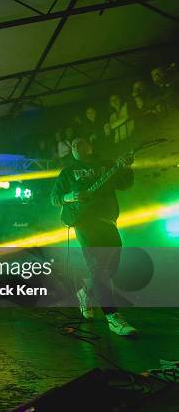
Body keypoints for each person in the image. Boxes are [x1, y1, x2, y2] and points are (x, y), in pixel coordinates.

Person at [50, 137, 137, 336]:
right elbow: (55, 198)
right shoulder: (68, 172)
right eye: (72, 144)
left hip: (107, 221)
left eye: (80, 143)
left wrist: (125, 167)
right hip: (83, 223)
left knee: (111, 267)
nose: (75, 146)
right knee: (98, 267)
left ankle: (85, 292)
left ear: (90, 146)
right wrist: (71, 196)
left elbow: (125, 184)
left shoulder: (106, 165)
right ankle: (112, 317)